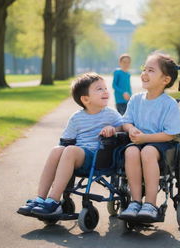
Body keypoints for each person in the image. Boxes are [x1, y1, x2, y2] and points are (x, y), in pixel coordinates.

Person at [18, 72, 123, 217]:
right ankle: (40, 198)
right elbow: (66, 140)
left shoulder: (111, 114)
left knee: (70, 151)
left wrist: (114, 129)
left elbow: (125, 127)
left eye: (105, 88)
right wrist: (61, 151)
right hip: (78, 155)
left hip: (99, 157)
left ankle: (53, 201)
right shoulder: (77, 117)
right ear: (86, 99)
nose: (105, 91)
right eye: (99, 89)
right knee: (57, 150)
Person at [119, 51, 180, 222]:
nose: (144, 73)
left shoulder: (169, 104)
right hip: (139, 142)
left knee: (148, 151)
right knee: (130, 152)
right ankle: (135, 201)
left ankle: (150, 204)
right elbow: (126, 121)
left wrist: (145, 139)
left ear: (165, 80)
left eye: (151, 70)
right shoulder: (136, 100)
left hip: (161, 145)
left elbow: (171, 134)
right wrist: (130, 130)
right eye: (144, 69)